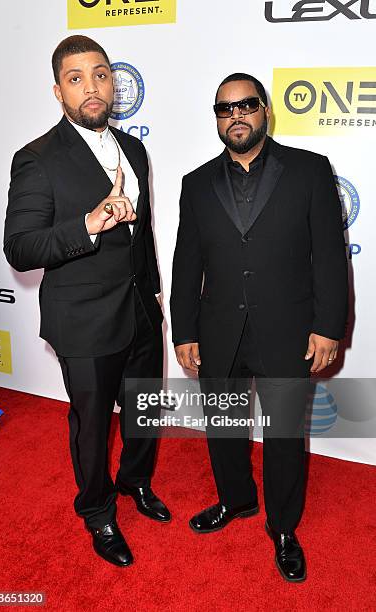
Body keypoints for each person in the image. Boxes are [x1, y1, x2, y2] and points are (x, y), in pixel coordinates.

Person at [170, 73, 348, 582]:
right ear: (218, 119)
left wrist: (328, 326)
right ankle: (235, 500)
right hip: (219, 328)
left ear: (265, 110)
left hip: (289, 329)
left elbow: (330, 259)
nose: (236, 116)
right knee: (224, 429)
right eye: (225, 109)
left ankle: (284, 527)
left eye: (246, 105)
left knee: (285, 436)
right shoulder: (196, 182)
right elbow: (187, 263)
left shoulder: (310, 171)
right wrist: (185, 331)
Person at [4, 35, 170, 568]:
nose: (92, 87)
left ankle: (136, 483)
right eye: (76, 78)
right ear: (58, 91)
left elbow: (141, 235)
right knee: (93, 425)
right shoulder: (36, 159)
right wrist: (88, 225)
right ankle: (97, 510)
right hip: (84, 319)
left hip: (141, 309)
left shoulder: (135, 149)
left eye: (100, 74)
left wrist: (155, 294)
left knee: (145, 411)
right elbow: (21, 247)